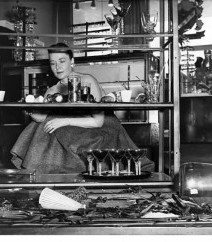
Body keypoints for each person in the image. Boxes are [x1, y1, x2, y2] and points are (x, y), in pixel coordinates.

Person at [10, 43, 154, 174]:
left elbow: (98, 122)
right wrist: (29, 108)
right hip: (70, 133)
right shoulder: (52, 91)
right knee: (38, 126)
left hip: (99, 130)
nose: (57, 67)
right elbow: (41, 118)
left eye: (62, 61)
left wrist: (64, 121)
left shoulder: (87, 81)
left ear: (72, 62)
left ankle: (45, 169)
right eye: (52, 63)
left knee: (51, 123)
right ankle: (44, 172)